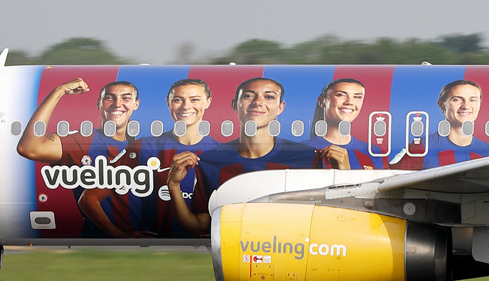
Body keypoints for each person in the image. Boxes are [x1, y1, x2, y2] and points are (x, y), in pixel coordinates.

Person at [177, 77, 320, 234]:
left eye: (269, 97)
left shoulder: (306, 159)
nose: (258, 102)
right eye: (248, 96)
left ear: (280, 107)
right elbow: (199, 227)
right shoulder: (210, 161)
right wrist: (173, 186)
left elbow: (320, 222)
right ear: (235, 105)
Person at [17, 78, 150, 237]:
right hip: (101, 243)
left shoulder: (138, 147)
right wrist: (59, 91)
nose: (117, 103)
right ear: (99, 104)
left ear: (136, 104)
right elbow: (29, 148)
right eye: (109, 97)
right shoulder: (86, 142)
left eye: (126, 98)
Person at [146, 77, 219, 238]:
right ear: (168, 103)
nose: (186, 106)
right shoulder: (146, 147)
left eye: (194, 99)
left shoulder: (220, 154)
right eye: (178, 100)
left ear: (208, 102)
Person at [306, 77, 375, 170]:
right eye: (341, 95)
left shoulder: (375, 152)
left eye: (357, 97)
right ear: (321, 101)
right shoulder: (303, 150)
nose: (349, 102)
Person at [430, 79, 489, 165]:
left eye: (472, 100)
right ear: (441, 104)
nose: (465, 106)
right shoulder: (423, 147)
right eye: (457, 99)